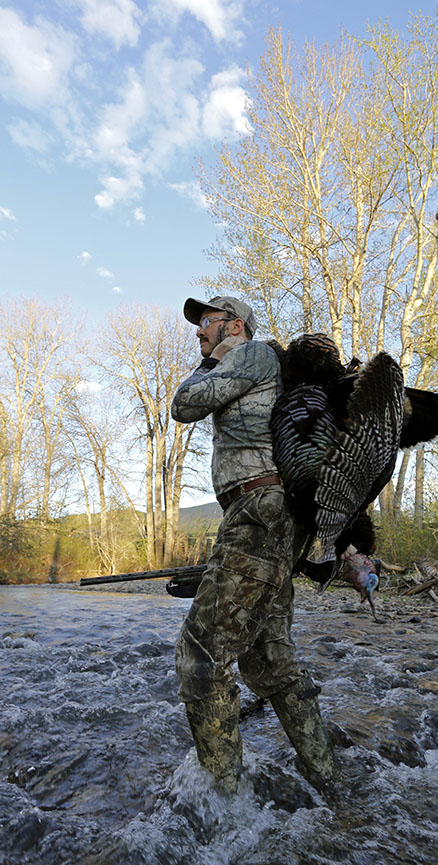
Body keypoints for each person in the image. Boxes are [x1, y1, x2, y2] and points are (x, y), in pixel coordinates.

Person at [171, 295, 338, 793]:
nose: (200, 333)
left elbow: (184, 405)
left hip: (258, 511)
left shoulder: (250, 352)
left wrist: (213, 357)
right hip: (271, 517)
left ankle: (222, 808)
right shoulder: (264, 363)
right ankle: (330, 781)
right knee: (269, 660)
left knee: (200, 655)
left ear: (235, 324)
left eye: (207, 323)